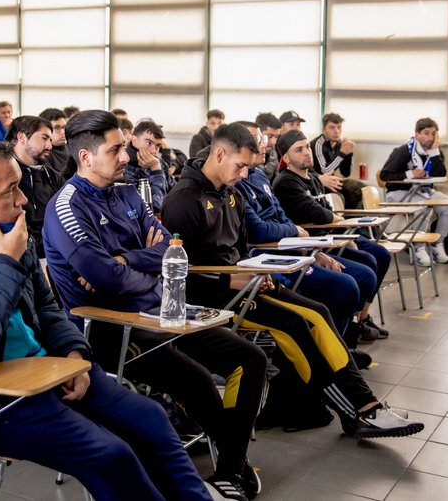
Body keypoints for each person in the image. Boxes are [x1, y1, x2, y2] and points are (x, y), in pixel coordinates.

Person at [0, 133, 214, 501]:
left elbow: (46, 306)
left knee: (151, 420)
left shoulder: (8, 227)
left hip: (43, 370)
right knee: (110, 453)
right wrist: (4, 263)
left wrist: (74, 355)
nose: (23, 200)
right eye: (11, 190)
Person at [44, 110, 266, 498]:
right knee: (197, 380)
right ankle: (232, 468)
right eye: (115, 150)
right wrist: (147, 266)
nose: (127, 157)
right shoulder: (66, 207)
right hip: (111, 326)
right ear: (86, 158)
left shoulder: (127, 191)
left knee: (250, 359)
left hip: (159, 310)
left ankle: (230, 468)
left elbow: (171, 245)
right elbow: (105, 279)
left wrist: (127, 260)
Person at [163, 123, 422, 439]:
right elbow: (178, 276)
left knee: (319, 314)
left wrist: (262, 272)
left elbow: (242, 251)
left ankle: (364, 405)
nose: (245, 175)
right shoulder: (183, 200)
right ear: (219, 154)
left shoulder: (231, 194)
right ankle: (356, 411)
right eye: (240, 165)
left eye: (249, 167)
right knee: (297, 324)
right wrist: (232, 281)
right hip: (215, 296)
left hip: (247, 285)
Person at [233, 121, 381, 347]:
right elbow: (259, 231)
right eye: (257, 140)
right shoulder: (239, 183)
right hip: (268, 258)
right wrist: (296, 234)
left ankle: (341, 346)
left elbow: (280, 216)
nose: (263, 145)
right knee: (346, 286)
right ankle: (328, 351)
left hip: (292, 248)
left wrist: (309, 250)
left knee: (364, 273)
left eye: (262, 140)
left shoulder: (261, 177)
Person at [272, 130, 393, 341]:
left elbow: (328, 214)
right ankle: (348, 333)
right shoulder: (285, 183)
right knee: (365, 267)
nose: (307, 152)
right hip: (311, 244)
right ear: (286, 158)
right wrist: (336, 222)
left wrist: (339, 229)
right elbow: (320, 214)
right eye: (298, 150)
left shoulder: (314, 179)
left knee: (381, 254)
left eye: (307, 147)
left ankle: (359, 320)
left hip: (328, 237)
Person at [379, 117, 448, 266]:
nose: (431, 137)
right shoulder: (403, 151)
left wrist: (435, 153)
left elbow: (440, 175)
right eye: (426, 133)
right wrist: (410, 174)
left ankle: (437, 244)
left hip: (422, 191)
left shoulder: (435, 152)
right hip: (398, 193)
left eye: (434, 134)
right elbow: (385, 175)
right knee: (424, 208)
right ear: (417, 134)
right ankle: (419, 249)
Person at [5, 115, 63, 260]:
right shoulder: (3, 178)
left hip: (57, 254)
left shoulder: (52, 176)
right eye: (44, 138)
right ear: (22, 138)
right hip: (26, 258)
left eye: (50, 139)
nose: (50, 146)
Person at [310, 113, 364, 209]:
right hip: (319, 185)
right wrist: (342, 153)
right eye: (332, 127)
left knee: (361, 189)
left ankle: (354, 221)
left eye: (339, 127)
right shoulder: (318, 144)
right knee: (339, 197)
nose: (336, 131)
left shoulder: (339, 144)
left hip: (332, 183)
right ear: (323, 130)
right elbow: (325, 171)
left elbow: (346, 173)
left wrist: (349, 154)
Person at [123, 119, 176, 214]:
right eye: (148, 143)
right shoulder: (124, 166)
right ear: (134, 140)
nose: (153, 151)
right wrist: (156, 171)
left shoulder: (159, 161)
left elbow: (176, 194)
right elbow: (156, 206)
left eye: (157, 146)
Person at [39, 108, 70, 176]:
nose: (63, 132)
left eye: (64, 127)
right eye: (57, 128)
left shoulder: (71, 148)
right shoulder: (44, 154)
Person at [255, 113, 282, 180]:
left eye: (276, 137)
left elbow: (277, 178)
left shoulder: (275, 152)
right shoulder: (247, 156)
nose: (274, 142)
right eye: (269, 136)